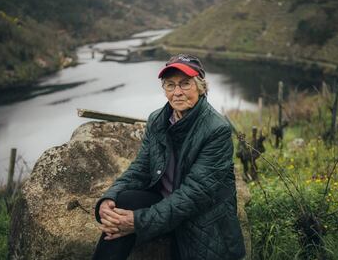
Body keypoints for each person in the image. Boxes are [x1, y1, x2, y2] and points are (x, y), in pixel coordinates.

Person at [92, 54, 246, 260]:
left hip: (199, 218)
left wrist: (138, 222)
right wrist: (108, 198)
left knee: (128, 220)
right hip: (164, 204)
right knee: (122, 202)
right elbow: (140, 167)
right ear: (164, 90)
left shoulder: (216, 130)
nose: (178, 93)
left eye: (185, 84)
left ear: (201, 87)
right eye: (170, 85)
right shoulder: (158, 119)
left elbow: (194, 194)